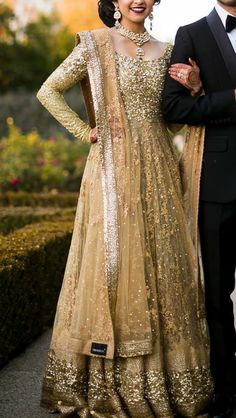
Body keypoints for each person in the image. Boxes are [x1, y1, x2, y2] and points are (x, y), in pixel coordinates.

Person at [37, 1, 213, 416]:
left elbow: (170, 120)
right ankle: (108, 380)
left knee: (162, 265)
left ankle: (163, 379)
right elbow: (48, 91)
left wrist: (195, 90)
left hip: (160, 167)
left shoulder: (170, 51)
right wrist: (85, 131)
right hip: (111, 170)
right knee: (113, 266)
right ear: (113, 1)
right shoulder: (96, 44)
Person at [162, 1, 236, 417]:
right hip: (217, 182)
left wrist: (212, 95)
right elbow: (172, 108)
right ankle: (226, 391)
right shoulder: (190, 34)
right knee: (216, 295)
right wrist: (228, 100)